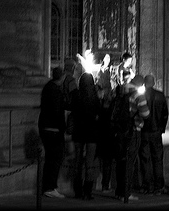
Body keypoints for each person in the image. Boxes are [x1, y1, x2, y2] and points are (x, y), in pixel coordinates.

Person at [113, 75, 150, 202]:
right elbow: (145, 114)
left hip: (120, 131)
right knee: (129, 163)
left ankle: (119, 191)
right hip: (133, 131)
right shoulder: (138, 95)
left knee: (120, 162)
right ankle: (126, 194)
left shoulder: (121, 92)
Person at [72, 67, 102, 200]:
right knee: (90, 162)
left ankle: (77, 191)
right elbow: (98, 114)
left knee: (78, 162)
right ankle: (87, 191)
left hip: (79, 132)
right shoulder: (93, 97)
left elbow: (74, 112)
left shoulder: (76, 95)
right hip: (91, 133)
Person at [38, 67, 67, 199]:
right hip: (53, 130)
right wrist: (63, 128)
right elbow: (57, 112)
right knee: (54, 159)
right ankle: (49, 187)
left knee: (51, 158)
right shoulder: (55, 91)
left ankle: (49, 186)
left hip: (46, 127)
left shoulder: (48, 88)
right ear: (61, 77)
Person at [138, 74, 168, 195]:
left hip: (144, 131)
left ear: (145, 83)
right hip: (156, 131)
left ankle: (147, 186)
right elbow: (165, 114)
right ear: (154, 83)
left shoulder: (141, 96)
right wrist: (161, 128)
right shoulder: (160, 95)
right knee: (157, 159)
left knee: (145, 159)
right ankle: (159, 186)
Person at [94, 53, 117, 192]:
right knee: (106, 160)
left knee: (106, 161)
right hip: (106, 137)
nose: (107, 61)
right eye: (106, 59)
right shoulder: (100, 69)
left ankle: (104, 184)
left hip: (104, 136)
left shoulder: (111, 70)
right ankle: (104, 184)